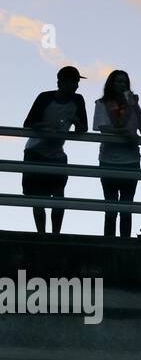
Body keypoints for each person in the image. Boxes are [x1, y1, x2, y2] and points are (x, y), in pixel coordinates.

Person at [21, 65, 88, 235]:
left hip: (57, 153)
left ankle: (56, 234)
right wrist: (45, 127)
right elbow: (28, 123)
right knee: (37, 198)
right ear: (62, 82)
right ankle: (41, 234)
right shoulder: (45, 97)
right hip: (35, 150)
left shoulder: (78, 100)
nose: (76, 86)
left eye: (77, 82)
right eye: (74, 82)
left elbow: (83, 129)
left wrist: (76, 123)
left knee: (59, 196)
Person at [93, 70, 141, 239]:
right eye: (118, 81)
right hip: (109, 161)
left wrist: (135, 105)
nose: (122, 85)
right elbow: (106, 128)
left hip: (131, 161)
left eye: (124, 82)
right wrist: (126, 132)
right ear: (111, 83)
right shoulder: (102, 103)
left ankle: (125, 241)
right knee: (110, 207)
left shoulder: (131, 104)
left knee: (126, 207)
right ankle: (109, 241)